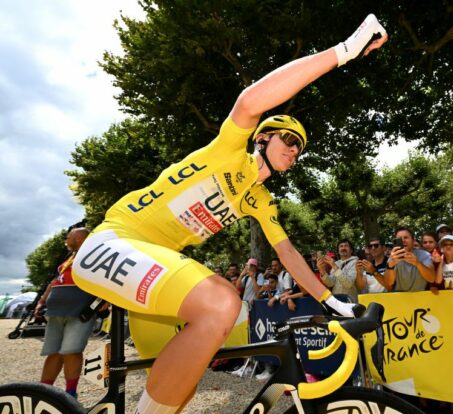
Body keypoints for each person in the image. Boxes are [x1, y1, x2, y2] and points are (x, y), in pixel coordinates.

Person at [72, 15, 388, 414]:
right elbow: (249, 101)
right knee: (221, 302)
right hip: (116, 240)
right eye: (288, 139)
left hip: (155, 262)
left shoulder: (258, 200)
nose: (294, 150)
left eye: (299, 148)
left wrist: (330, 300)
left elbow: (287, 253)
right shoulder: (228, 152)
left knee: (183, 379)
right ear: (262, 139)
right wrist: (344, 52)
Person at [35, 228, 95, 398]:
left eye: (68, 238)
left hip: (79, 309)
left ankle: (70, 393)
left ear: (77, 238)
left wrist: (104, 300)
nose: (66, 241)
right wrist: (41, 302)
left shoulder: (94, 255)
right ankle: (44, 391)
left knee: (71, 351)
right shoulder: (69, 259)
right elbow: (55, 282)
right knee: (53, 352)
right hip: (56, 310)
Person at [384, 227, 435, 292]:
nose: (403, 240)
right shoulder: (393, 257)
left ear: (413, 240)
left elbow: (431, 278)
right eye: (399, 238)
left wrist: (418, 263)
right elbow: (388, 284)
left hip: (420, 298)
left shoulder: (424, 255)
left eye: (406, 237)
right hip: (400, 298)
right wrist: (390, 266)